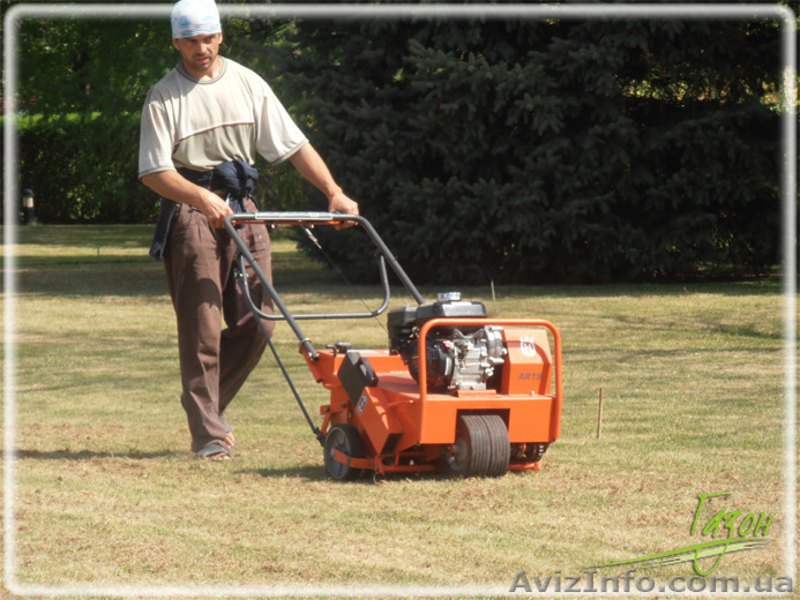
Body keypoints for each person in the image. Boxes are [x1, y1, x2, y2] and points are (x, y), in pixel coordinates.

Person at [138, 0, 358, 461]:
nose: (201, 48)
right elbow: (155, 172)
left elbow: (294, 144)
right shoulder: (164, 96)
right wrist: (201, 199)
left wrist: (333, 191)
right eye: (191, 41)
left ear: (220, 36)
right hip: (192, 212)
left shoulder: (247, 83)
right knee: (201, 327)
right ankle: (208, 435)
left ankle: (205, 405)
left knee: (260, 321)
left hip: (244, 209)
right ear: (176, 42)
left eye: (208, 38)